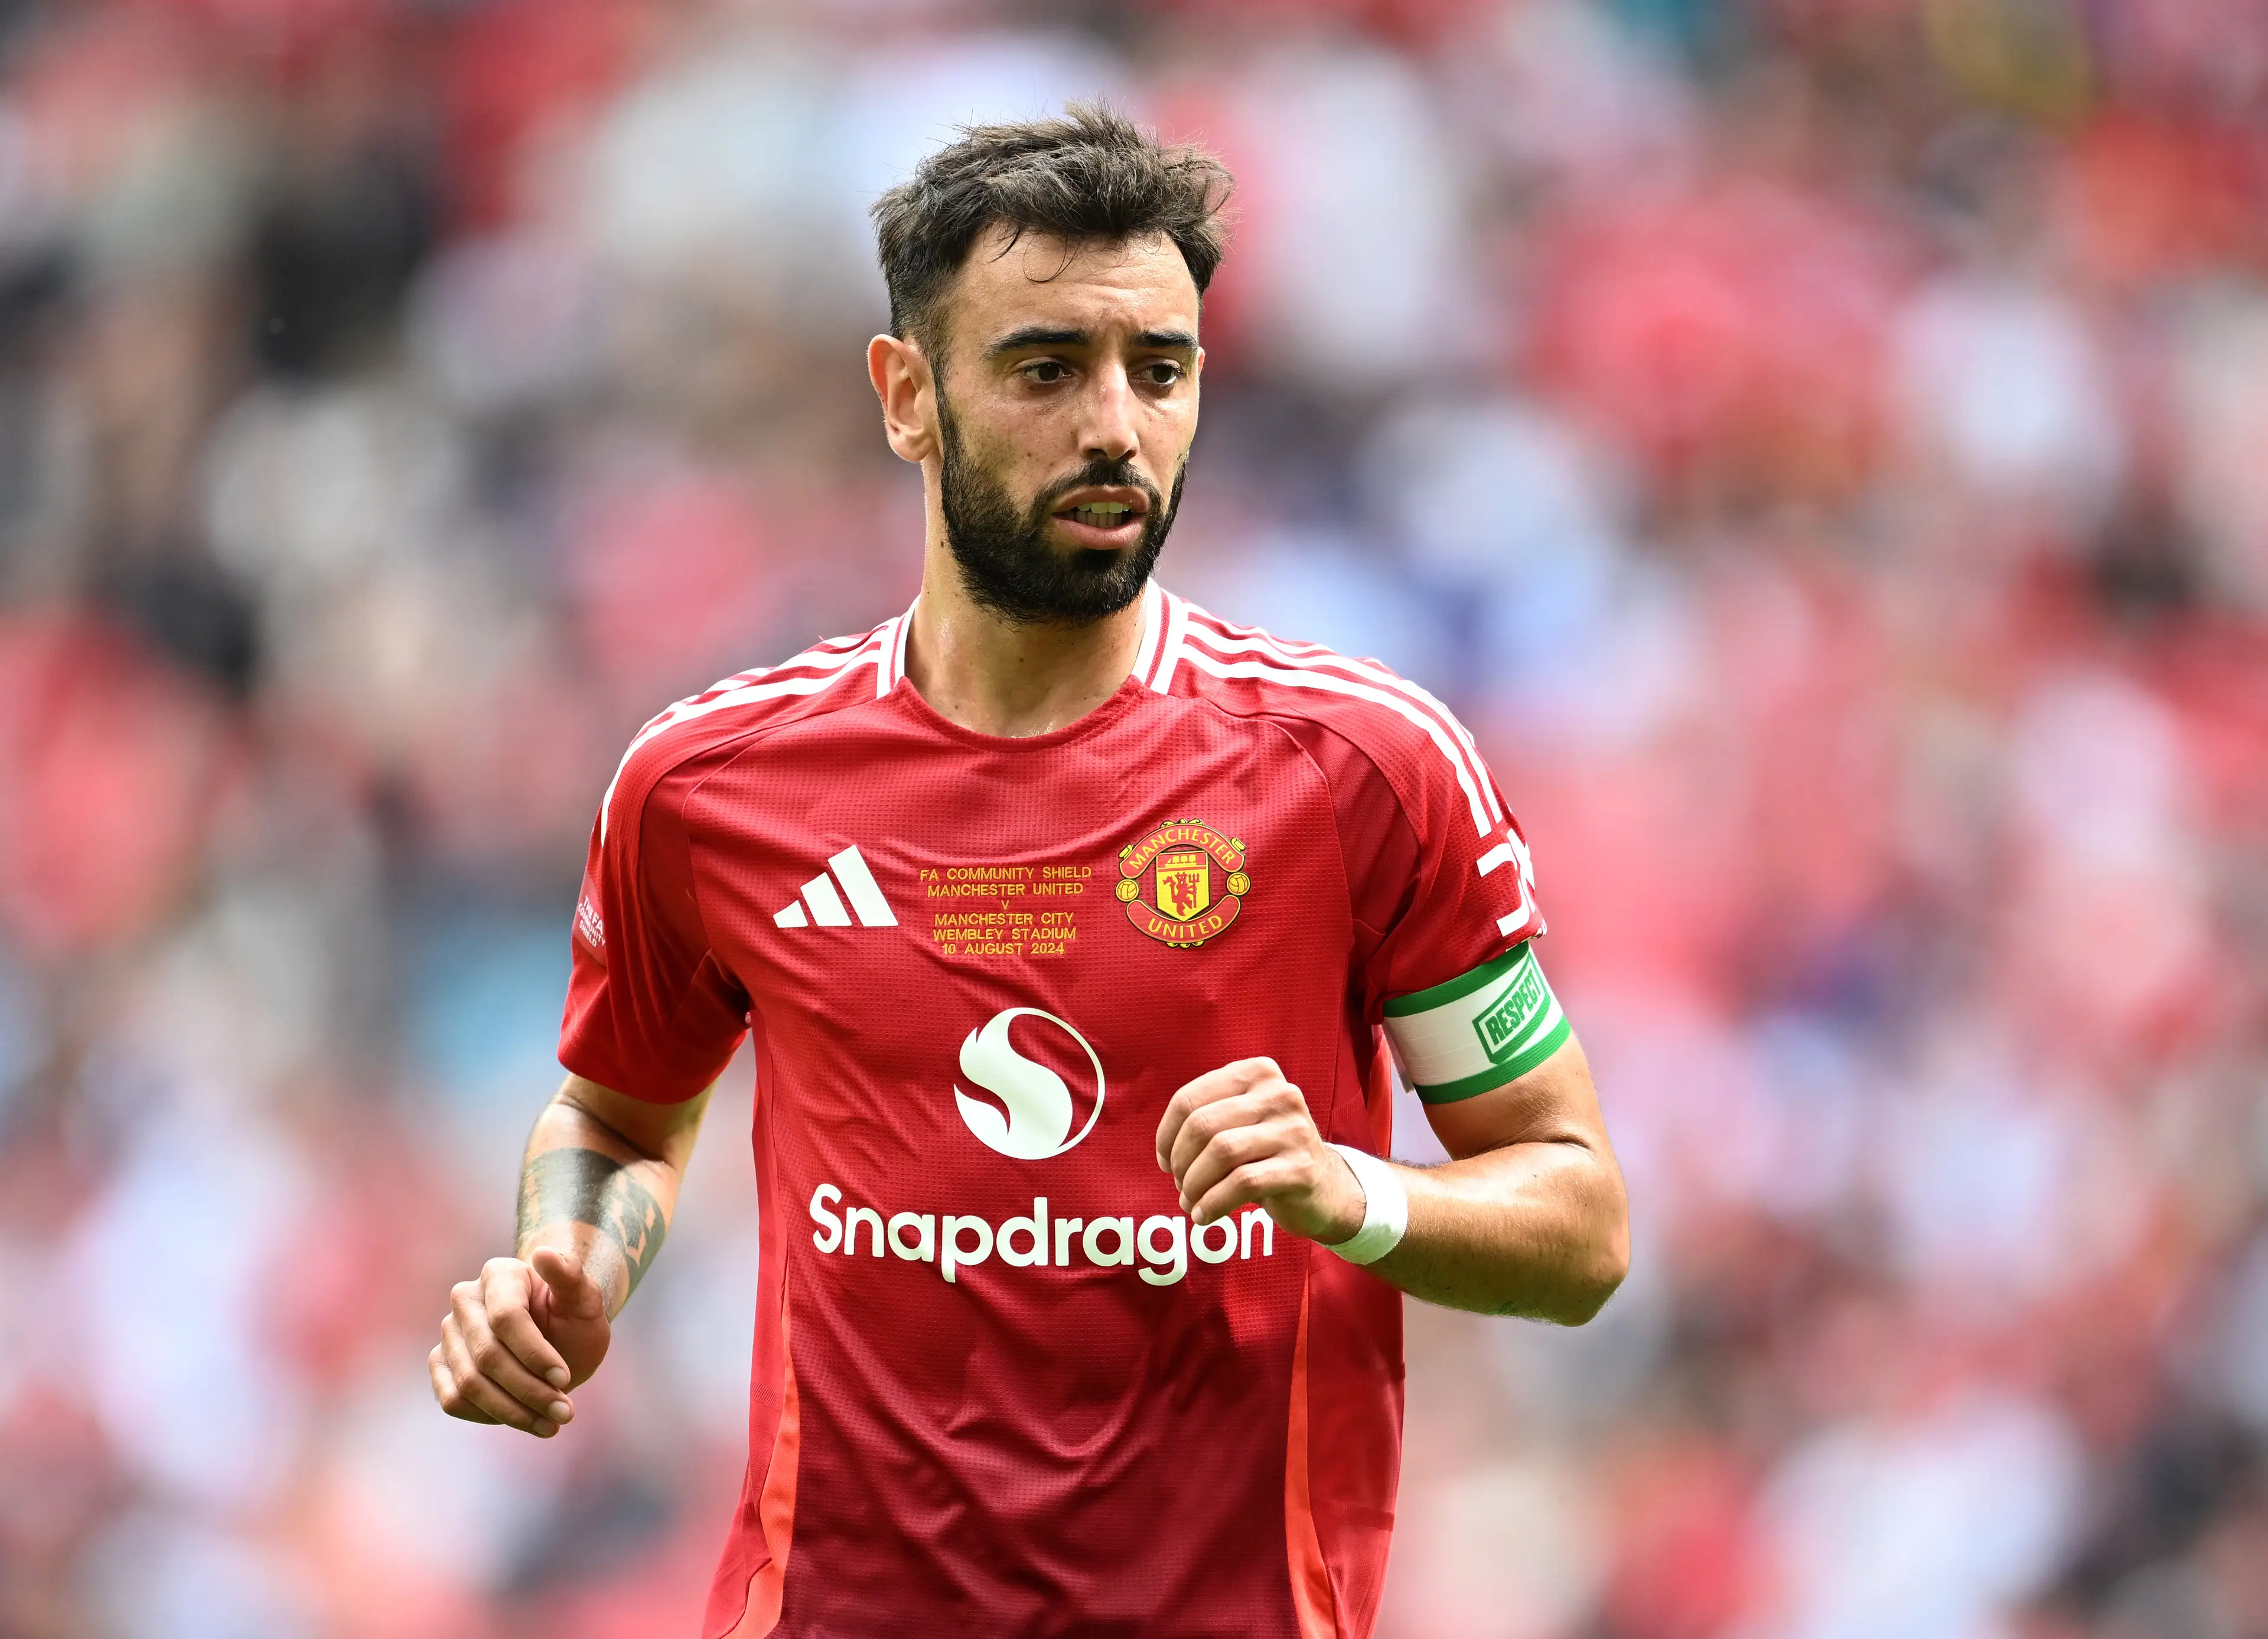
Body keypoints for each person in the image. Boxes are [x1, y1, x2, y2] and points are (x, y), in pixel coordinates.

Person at [430, 104, 1628, 1639]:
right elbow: (616, 1111)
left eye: (1162, 369)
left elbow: (1579, 1221)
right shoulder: (708, 789)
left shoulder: (1361, 773)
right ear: (907, 395)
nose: (1116, 425)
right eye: (1047, 367)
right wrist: (566, 1265)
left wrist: (1353, 1190)